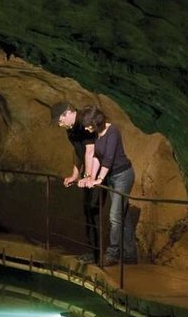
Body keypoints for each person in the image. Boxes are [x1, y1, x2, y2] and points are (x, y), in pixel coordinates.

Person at [79, 106, 137, 266]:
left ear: (95, 123)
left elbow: (109, 158)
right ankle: (130, 254)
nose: (85, 128)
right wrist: (91, 177)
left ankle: (112, 254)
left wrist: (99, 179)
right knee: (121, 215)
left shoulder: (113, 132)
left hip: (123, 176)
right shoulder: (98, 134)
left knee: (114, 216)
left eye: (87, 125)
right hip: (112, 177)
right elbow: (97, 156)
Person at [50, 102, 100, 262]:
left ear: (67, 113)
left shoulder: (85, 122)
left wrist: (89, 176)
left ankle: (97, 254)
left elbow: (91, 150)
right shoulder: (71, 130)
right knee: (88, 209)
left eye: (59, 120)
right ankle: (93, 251)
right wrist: (75, 175)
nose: (58, 124)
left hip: (99, 171)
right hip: (89, 172)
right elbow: (78, 152)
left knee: (93, 208)